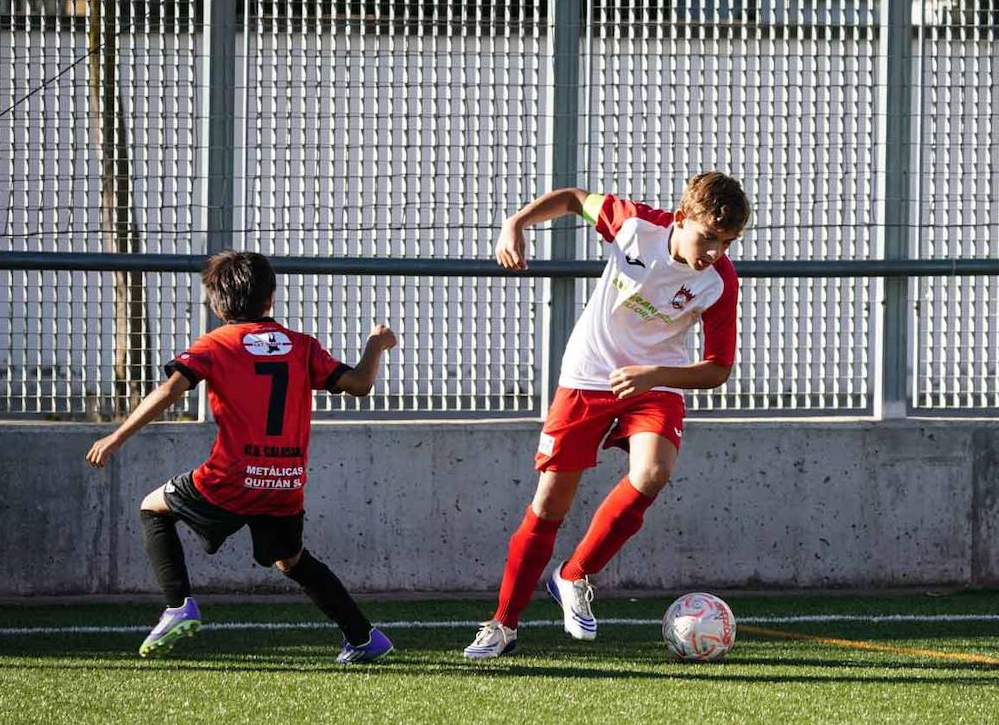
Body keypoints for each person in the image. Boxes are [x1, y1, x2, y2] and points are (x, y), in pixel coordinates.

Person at [463, 171, 750, 659]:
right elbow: (573, 199)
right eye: (708, 238)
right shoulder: (634, 225)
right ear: (682, 218)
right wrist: (516, 223)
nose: (714, 252)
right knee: (549, 504)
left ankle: (574, 574)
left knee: (653, 472)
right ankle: (502, 625)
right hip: (589, 375)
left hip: (655, 382)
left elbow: (718, 368)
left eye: (726, 243)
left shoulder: (719, 281)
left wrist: (654, 374)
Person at [86, 250, 399, 664]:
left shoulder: (216, 344)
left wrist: (117, 436)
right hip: (285, 481)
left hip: (231, 478)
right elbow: (359, 384)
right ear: (270, 298)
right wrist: (376, 345)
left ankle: (178, 606)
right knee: (291, 560)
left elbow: (170, 390)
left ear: (216, 305)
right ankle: (363, 638)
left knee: (152, 508)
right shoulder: (302, 346)